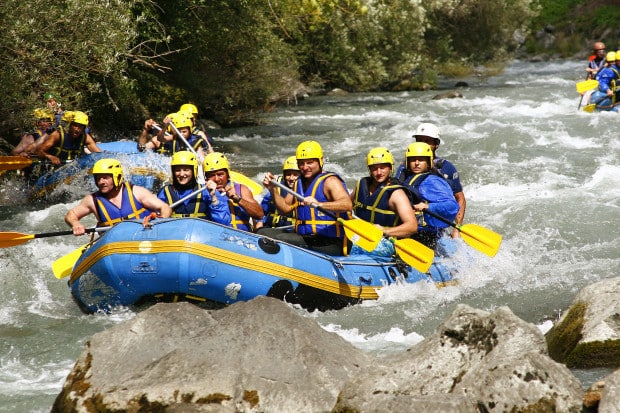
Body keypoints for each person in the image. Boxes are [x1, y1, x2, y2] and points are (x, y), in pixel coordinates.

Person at [262, 140, 353, 256]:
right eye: (301, 163)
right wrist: (272, 189)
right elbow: (284, 209)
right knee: (263, 232)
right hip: (307, 237)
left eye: (310, 163)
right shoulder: (298, 182)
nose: (305, 167)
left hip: (331, 242)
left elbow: (347, 204)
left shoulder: (330, 181)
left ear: (321, 161)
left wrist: (319, 204)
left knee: (281, 239)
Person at [65, 158, 172, 235]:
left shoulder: (137, 192)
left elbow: (165, 208)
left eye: (105, 177)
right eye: (98, 178)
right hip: (114, 246)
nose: (101, 182)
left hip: (144, 236)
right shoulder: (92, 200)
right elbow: (71, 214)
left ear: (117, 177)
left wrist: (160, 226)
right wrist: (76, 224)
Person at [395, 123, 466, 238]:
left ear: (436, 144)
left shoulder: (446, 168)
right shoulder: (405, 167)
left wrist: (456, 228)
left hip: (434, 225)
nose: (422, 144)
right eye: (419, 140)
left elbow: (459, 198)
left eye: (427, 141)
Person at [400, 142, 459, 250]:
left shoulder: (433, 181)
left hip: (426, 235)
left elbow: (452, 206)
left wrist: (428, 207)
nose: (417, 163)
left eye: (421, 159)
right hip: (406, 230)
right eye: (413, 159)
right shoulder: (405, 177)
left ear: (428, 162)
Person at [351, 147, 417, 239]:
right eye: (374, 168)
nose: (379, 172)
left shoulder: (396, 194)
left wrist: (385, 231)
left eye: (382, 168)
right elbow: (347, 207)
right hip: (360, 236)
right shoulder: (361, 185)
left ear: (390, 168)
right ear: (369, 169)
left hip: (386, 242)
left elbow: (412, 226)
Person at [157, 151, 230, 224]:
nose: (182, 174)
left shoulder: (207, 191)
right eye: (178, 170)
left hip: (201, 233)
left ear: (193, 171)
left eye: (186, 170)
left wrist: (213, 197)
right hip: (174, 233)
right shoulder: (164, 192)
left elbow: (224, 222)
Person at [203, 152, 264, 232]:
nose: (217, 179)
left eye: (220, 174)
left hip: (241, 238)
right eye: (211, 175)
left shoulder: (241, 189)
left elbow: (259, 215)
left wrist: (237, 199)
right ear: (206, 177)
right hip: (214, 238)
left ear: (227, 174)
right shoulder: (202, 192)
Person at [34, 110, 101, 166]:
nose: (78, 129)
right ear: (70, 125)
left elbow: (99, 154)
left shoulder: (85, 137)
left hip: (72, 170)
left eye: (81, 126)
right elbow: (38, 151)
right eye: (75, 125)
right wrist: (50, 156)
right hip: (52, 169)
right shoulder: (57, 135)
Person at [256, 155, 300, 231]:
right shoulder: (276, 188)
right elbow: (263, 211)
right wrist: (260, 223)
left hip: (293, 230)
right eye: (288, 174)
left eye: (295, 175)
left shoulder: (306, 191)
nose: (291, 178)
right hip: (274, 228)